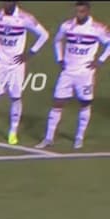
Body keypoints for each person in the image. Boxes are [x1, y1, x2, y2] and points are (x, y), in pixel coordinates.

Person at [37, 0, 110, 149]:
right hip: (68, 72)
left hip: (85, 73)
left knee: (84, 103)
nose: (79, 14)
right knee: (58, 102)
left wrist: (100, 61)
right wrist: (60, 58)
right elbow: (57, 41)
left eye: (82, 11)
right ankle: (49, 138)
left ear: (88, 11)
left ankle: (79, 137)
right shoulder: (67, 26)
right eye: (77, 11)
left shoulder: (97, 28)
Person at [0, 3, 48, 146]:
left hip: (16, 65)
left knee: (15, 98)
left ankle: (13, 132)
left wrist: (30, 53)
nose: (6, 3)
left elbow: (44, 35)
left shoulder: (25, 18)